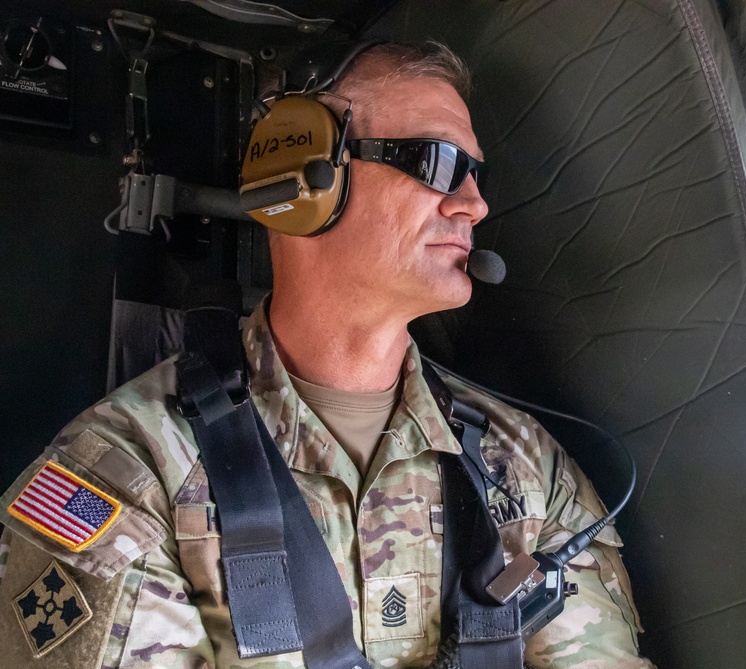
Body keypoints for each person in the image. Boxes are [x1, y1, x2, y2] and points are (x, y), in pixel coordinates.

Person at [0, 41, 653, 668]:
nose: (474, 204)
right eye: (436, 162)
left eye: (475, 172)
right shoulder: (129, 476)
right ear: (301, 173)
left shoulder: (526, 468)